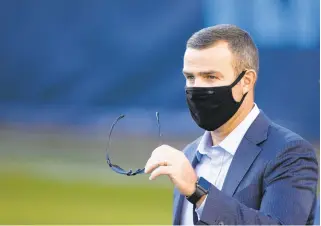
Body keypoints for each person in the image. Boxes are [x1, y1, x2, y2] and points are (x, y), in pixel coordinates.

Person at [144, 24, 319, 225]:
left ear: (246, 81)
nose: (197, 88)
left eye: (210, 77)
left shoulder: (290, 153)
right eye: (190, 77)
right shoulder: (189, 155)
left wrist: (198, 193)